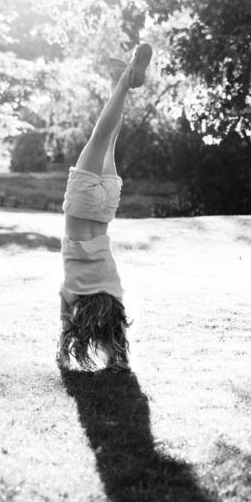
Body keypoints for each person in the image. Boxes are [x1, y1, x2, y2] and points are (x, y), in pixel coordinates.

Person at [56, 43, 152, 371]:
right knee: (101, 135)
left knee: (110, 140)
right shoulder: (74, 291)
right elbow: (64, 308)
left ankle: (120, 83)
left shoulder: (113, 292)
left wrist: (117, 357)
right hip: (81, 211)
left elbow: (113, 322)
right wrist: (63, 352)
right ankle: (125, 80)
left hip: (105, 210)